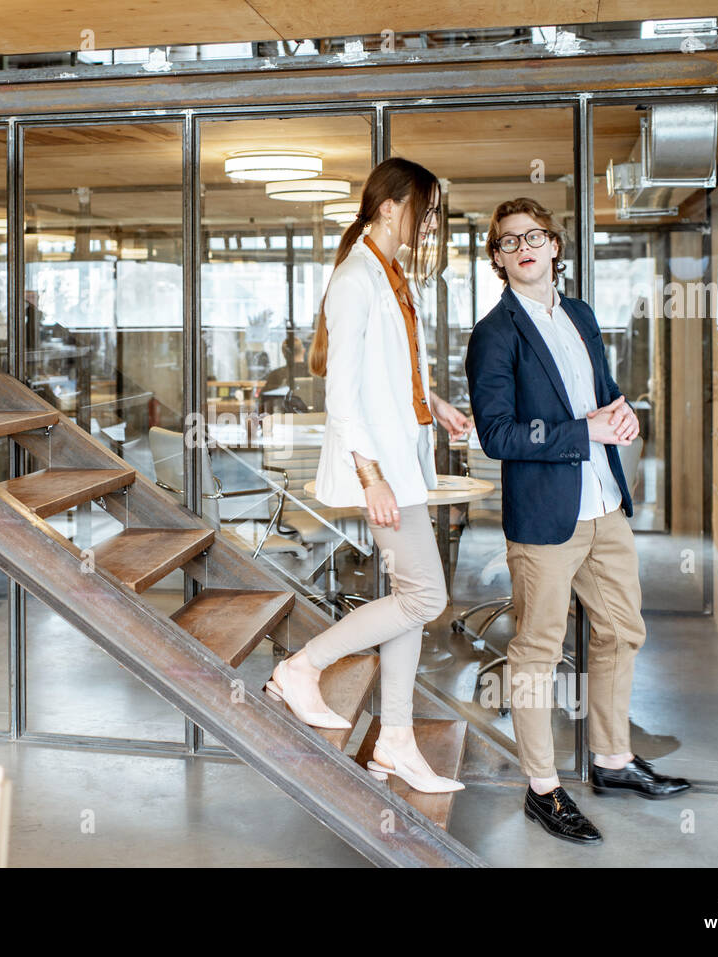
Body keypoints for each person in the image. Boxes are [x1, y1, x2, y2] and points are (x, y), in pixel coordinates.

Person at [464, 197, 691, 845]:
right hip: (544, 514)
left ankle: (613, 759)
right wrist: (579, 429)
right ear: (498, 259)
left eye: (534, 235)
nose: (523, 246)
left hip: (604, 501)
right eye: (508, 241)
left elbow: (602, 391)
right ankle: (542, 787)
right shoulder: (495, 333)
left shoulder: (582, 315)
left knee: (622, 628)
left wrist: (620, 415)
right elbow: (497, 434)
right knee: (536, 653)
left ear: (556, 246)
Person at [262, 157, 473, 795]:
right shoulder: (357, 277)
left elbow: (395, 367)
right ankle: (303, 666)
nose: (429, 221)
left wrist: (429, 402)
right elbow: (342, 393)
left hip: (403, 460)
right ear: (390, 207)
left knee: (410, 606)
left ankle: (397, 743)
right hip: (382, 467)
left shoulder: (393, 272)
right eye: (425, 209)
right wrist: (371, 476)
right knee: (425, 598)